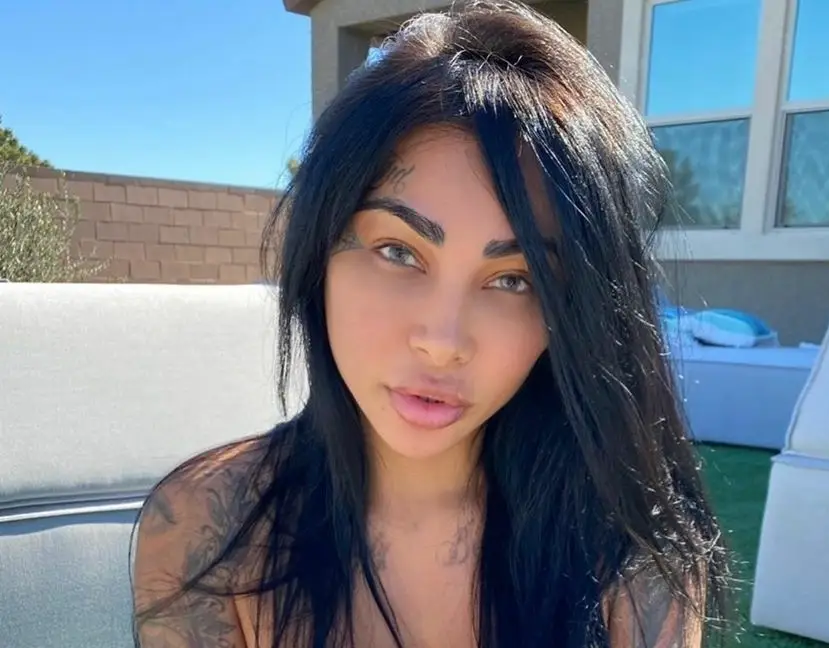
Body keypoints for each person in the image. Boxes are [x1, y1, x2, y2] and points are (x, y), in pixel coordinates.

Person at [130, 1, 731, 646]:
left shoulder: (633, 553)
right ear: (319, 253)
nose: (442, 343)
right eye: (398, 252)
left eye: (514, 280)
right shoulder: (210, 528)